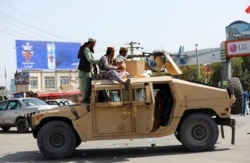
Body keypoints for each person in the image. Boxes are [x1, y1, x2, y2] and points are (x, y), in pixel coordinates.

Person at [78, 38, 99, 103]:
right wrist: (100, 61)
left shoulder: (88, 50)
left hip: (88, 72)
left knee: (88, 88)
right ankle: (84, 100)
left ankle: (86, 99)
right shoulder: (86, 49)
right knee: (85, 89)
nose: (94, 45)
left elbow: (92, 59)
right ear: (91, 43)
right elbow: (89, 59)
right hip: (85, 72)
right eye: (94, 44)